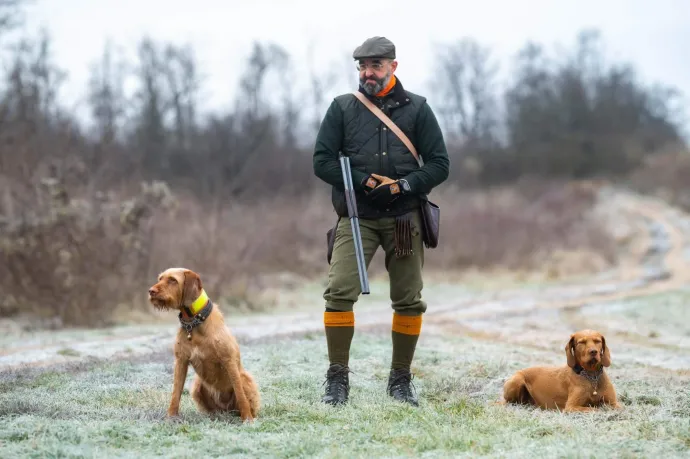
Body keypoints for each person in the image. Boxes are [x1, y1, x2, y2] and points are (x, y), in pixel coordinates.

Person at [312, 36, 450, 407]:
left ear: (393, 66)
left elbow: (439, 164)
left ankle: (401, 380)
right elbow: (322, 162)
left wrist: (403, 185)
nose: (367, 73)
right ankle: (337, 381)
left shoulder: (418, 109)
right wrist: (363, 181)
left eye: (374, 66)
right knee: (339, 293)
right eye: (361, 66)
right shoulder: (342, 109)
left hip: (405, 219)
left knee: (408, 301)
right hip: (356, 218)